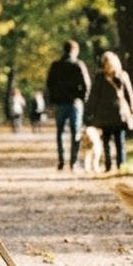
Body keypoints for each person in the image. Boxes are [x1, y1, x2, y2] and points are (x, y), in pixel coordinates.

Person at [86, 50, 133, 172]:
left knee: (120, 140)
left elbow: (129, 93)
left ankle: (121, 163)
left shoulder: (122, 76)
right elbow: (94, 95)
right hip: (104, 113)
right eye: (106, 64)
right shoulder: (99, 78)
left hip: (120, 113)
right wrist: (90, 110)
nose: (108, 66)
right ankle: (108, 164)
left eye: (109, 63)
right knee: (106, 141)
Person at [45, 40, 91, 170]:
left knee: (60, 132)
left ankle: (61, 159)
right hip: (75, 103)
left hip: (60, 103)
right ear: (75, 51)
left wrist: (53, 100)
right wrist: (83, 98)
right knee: (75, 132)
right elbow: (86, 84)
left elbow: (50, 84)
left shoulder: (55, 65)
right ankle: (74, 161)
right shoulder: (78, 65)